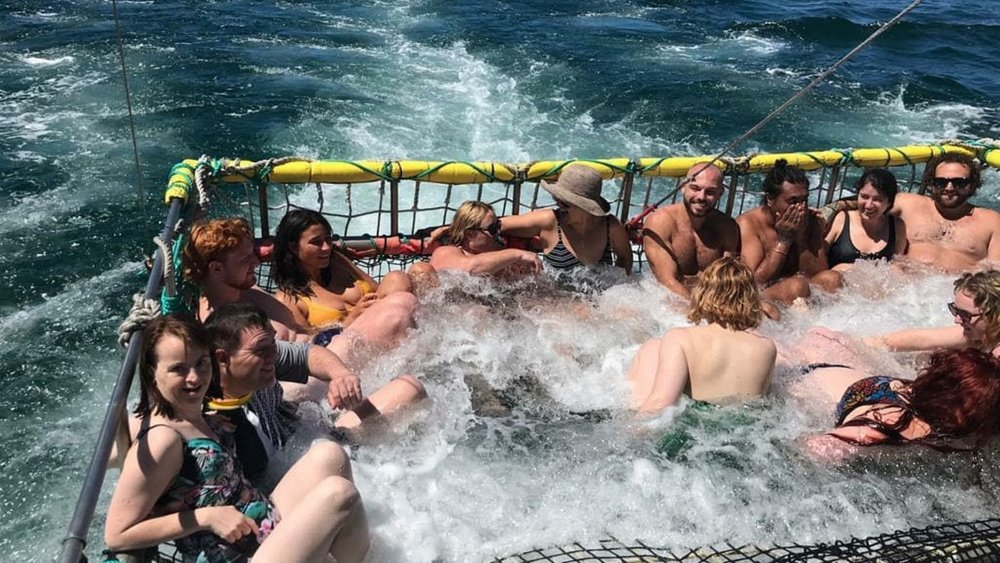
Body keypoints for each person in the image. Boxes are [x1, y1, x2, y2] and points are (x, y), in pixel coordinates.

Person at [104, 314, 370, 562]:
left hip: (260, 526)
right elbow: (117, 534)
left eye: (201, 363)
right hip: (236, 556)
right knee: (339, 494)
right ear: (152, 373)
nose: (194, 377)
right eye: (178, 369)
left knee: (329, 455)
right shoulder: (162, 439)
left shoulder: (195, 413)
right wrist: (205, 517)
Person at [271, 209, 419, 367]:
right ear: (293, 247)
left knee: (401, 277)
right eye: (316, 242)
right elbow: (307, 349)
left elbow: (376, 289)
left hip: (388, 328)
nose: (326, 247)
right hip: (350, 355)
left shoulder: (336, 263)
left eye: (328, 239)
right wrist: (350, 321)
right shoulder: (288, 300)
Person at [627, 257, 776, 413]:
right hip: (746, 429)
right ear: (751, 299)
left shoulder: (680, 339)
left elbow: (662, 401)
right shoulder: (766, 347)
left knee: (651, 348)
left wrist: (630, 430)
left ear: (703, 293)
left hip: (698, 426)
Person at [803, 349, 1000, 458]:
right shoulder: (881, 426)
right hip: (806, 379)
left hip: (857, 375)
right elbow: (812, 449)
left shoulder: (968, 413)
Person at [826, 152, 1000, 272]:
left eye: (959, 183)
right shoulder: (908, 204)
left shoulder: (991, 221)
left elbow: (995, 273)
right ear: (931, 184)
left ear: (973, 184)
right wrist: (831, 210)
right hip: (905, 293)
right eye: (941, 182)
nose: (949, 188)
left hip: (955, 296)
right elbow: (869, 203)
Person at [183, 218, 309, 342]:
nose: (256, 262)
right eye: (245, 260)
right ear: (216, 269)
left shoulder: (243, 291)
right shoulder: (213, 324)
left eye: (253, 254)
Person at [737, 160, 842, 303]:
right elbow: (753, 282)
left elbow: (818, 272)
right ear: (770, 200)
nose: (800, 208)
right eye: (793, 201)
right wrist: (783, 240)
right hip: (761, 298)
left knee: (832, 278)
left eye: (804, 200)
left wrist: (801, 237)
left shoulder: (810, 220)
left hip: (801, 296)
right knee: (797, 285)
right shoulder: (749, 224)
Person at [497, 164, 633, 274]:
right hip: (557, 301)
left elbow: (625, 260)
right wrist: (515, 254)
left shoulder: (610, 226)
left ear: (585, 207)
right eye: (557, 199)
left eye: (565, 202)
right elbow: (493, 225)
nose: (558, 204)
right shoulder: (548, 221)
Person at [641, 163, 741, 299]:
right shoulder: (660, 221)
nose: (701, 197)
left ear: (720, 193)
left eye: (710, 192)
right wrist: (697, 311)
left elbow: (728, 279)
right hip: (668, 299)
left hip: (711, 300)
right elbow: (667, 281)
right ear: (683, 187)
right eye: (695, 188)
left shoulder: (727, 226)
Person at [865, 269, 1000, 358]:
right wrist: (863, 345)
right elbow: (921, 339)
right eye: (955, 310)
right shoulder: (980, 334)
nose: (957, 320)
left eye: (966, 315)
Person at [824, 168, 908, 271]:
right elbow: (819, 259)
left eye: (877, 199)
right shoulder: (841, 219)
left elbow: (899, 265)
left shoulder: (897, 226)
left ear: (889, 202)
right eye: (864, 197)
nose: (869, 205)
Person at [429, 200, 543, 275]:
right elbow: (467, 270)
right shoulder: (445, 252)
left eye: (498, 226)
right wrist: (518, 254)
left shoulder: (507, 263)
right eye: (493, 229)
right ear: (470, 234)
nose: (499, 233)